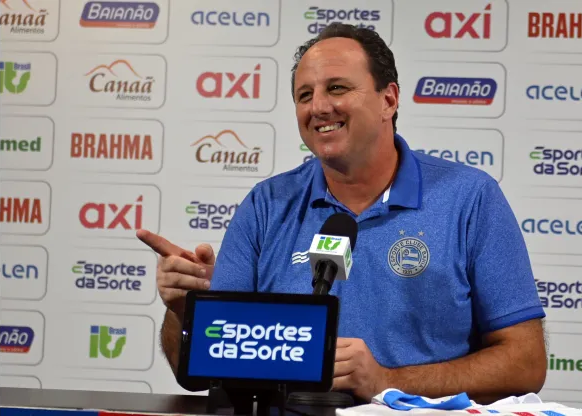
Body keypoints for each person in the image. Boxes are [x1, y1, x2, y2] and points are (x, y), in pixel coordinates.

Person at [137, 23, 547, 404]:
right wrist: (184, 309)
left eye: (336, 88)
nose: (318, 107)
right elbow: (195, 374)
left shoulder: (469, 198)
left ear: (389, 100)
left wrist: (387, 381)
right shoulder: (266, 205)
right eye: (304, 95)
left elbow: (525, 363)